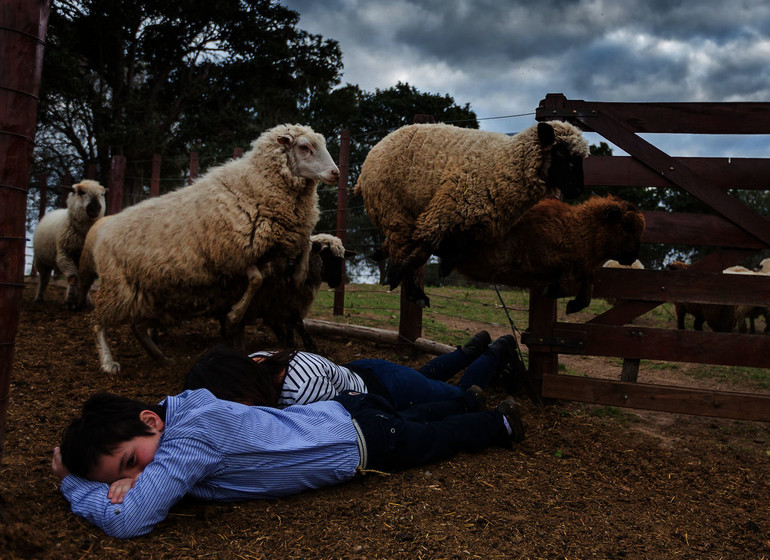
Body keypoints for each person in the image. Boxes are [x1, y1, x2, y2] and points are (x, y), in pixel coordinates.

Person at [51, 387, 525, 539]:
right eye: (124, 476)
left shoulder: (186, 443)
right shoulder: (187, 406)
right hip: (341, 412)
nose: (137, 478)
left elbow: (131, 520)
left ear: (152, 420)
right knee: (417, 416)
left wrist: (76, 486)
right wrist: (128, 472)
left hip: (363, 443)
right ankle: (465, 398)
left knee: (435, 440)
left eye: (131, 462)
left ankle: (498, 424)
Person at [184, 331, 525, 411]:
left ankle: (496, 352)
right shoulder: (259, 359)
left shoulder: (302, 392)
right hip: (357, 372)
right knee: (424, 377)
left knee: (459, 398)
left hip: (384, 388)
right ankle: (469, 351)